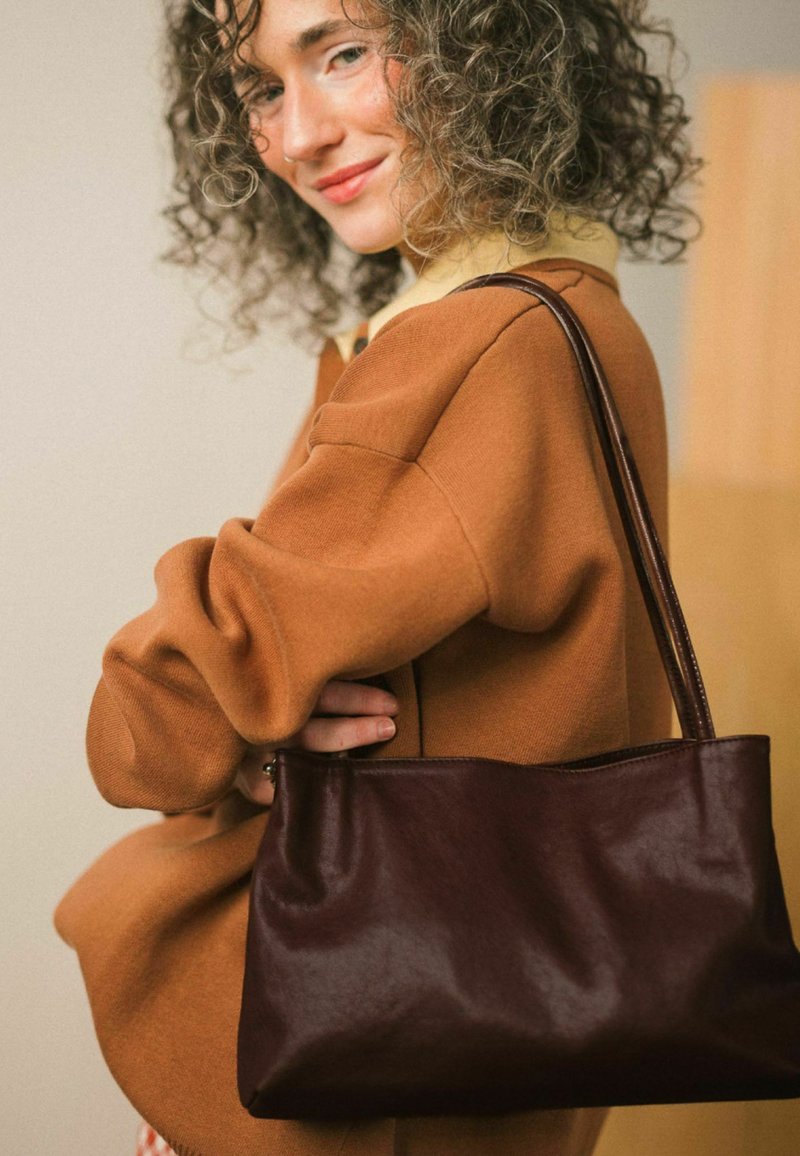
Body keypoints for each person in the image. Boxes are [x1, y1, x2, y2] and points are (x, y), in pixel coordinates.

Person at [53, 0, 703, 1153]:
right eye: (261, 89)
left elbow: (147, 723)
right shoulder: (580, 316)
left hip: (355, 1076)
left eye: (343, 53)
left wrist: (218, 726)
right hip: (467, 1047)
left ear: (486, 42)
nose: (300, 133)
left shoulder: (468, 350)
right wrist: (262, 728)